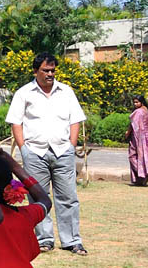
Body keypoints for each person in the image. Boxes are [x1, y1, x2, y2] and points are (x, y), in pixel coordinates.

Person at [5, 53, 87, 255]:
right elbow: (17, 122)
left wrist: (71, 145)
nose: (50, 74)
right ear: (36, 71)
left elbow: (75, 119)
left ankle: (72, 241)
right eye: (46, 71)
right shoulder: (24, 93)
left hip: (62, 151)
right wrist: (24, 148)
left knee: (68, 197)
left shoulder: (66, 92)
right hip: (35, 152)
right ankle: (44, 239)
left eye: (52, 71)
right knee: (38, 197)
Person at [127, 95, 148, 187]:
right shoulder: (146, 110)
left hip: (140, 136)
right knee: (145, 156)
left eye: (137, 102)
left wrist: (128, 133)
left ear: (142, 102)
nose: (135, 104)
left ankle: (142, 175)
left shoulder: (138, 112)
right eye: (134, 102)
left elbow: (134, 125)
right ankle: (142, 177)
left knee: (133, 156)